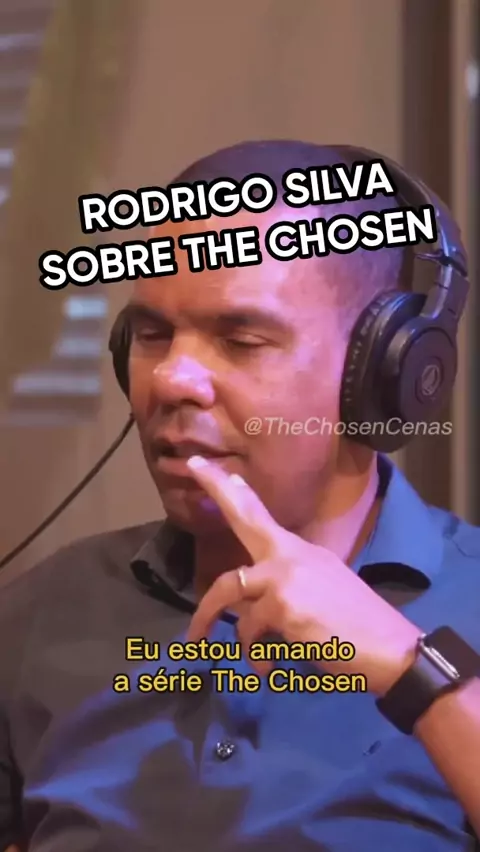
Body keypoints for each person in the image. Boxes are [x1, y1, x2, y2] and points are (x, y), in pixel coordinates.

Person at [1, 140, 479, 852]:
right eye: (153, 334)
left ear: (382, 371)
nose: (172, 379)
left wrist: (415, 672)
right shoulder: (38, 615)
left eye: (241, 340)